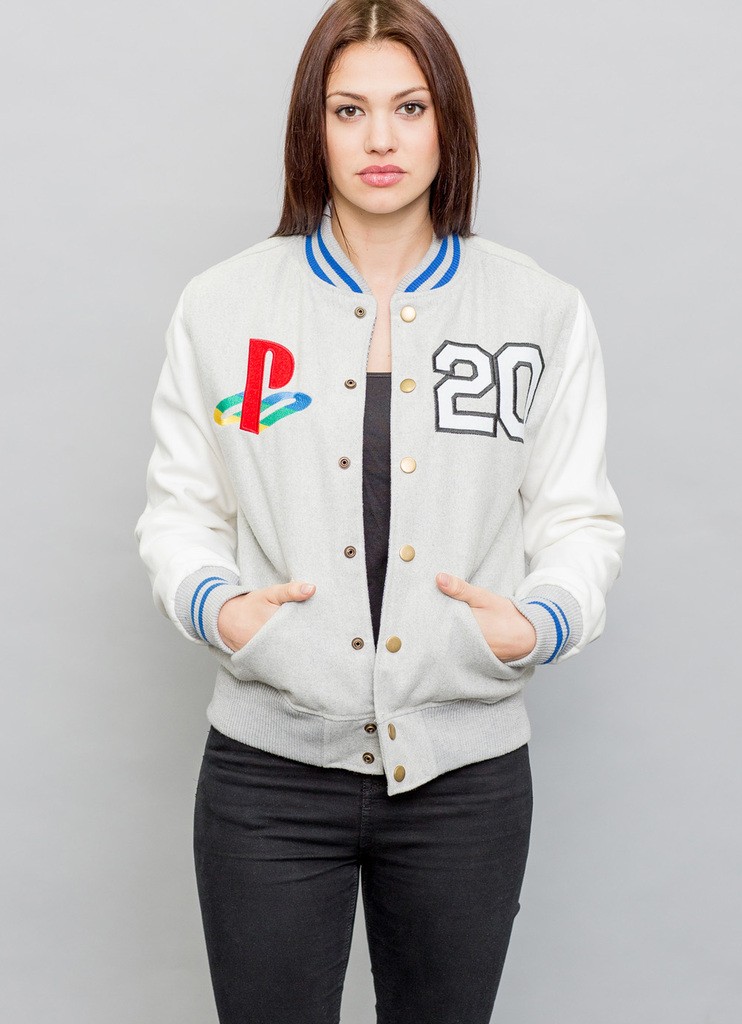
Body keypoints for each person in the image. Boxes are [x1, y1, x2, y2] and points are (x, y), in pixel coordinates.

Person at [134, 1, 625, 1021]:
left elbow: (579, 519)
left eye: (409, 107)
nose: (380, 140)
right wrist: (223, 609)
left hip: (465, 776)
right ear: (312, 129)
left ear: (448, 122)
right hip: (268, 775)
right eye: (348, 110)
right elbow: (179, 509)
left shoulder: (539, 311)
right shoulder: (224, 308)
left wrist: (537, 624)